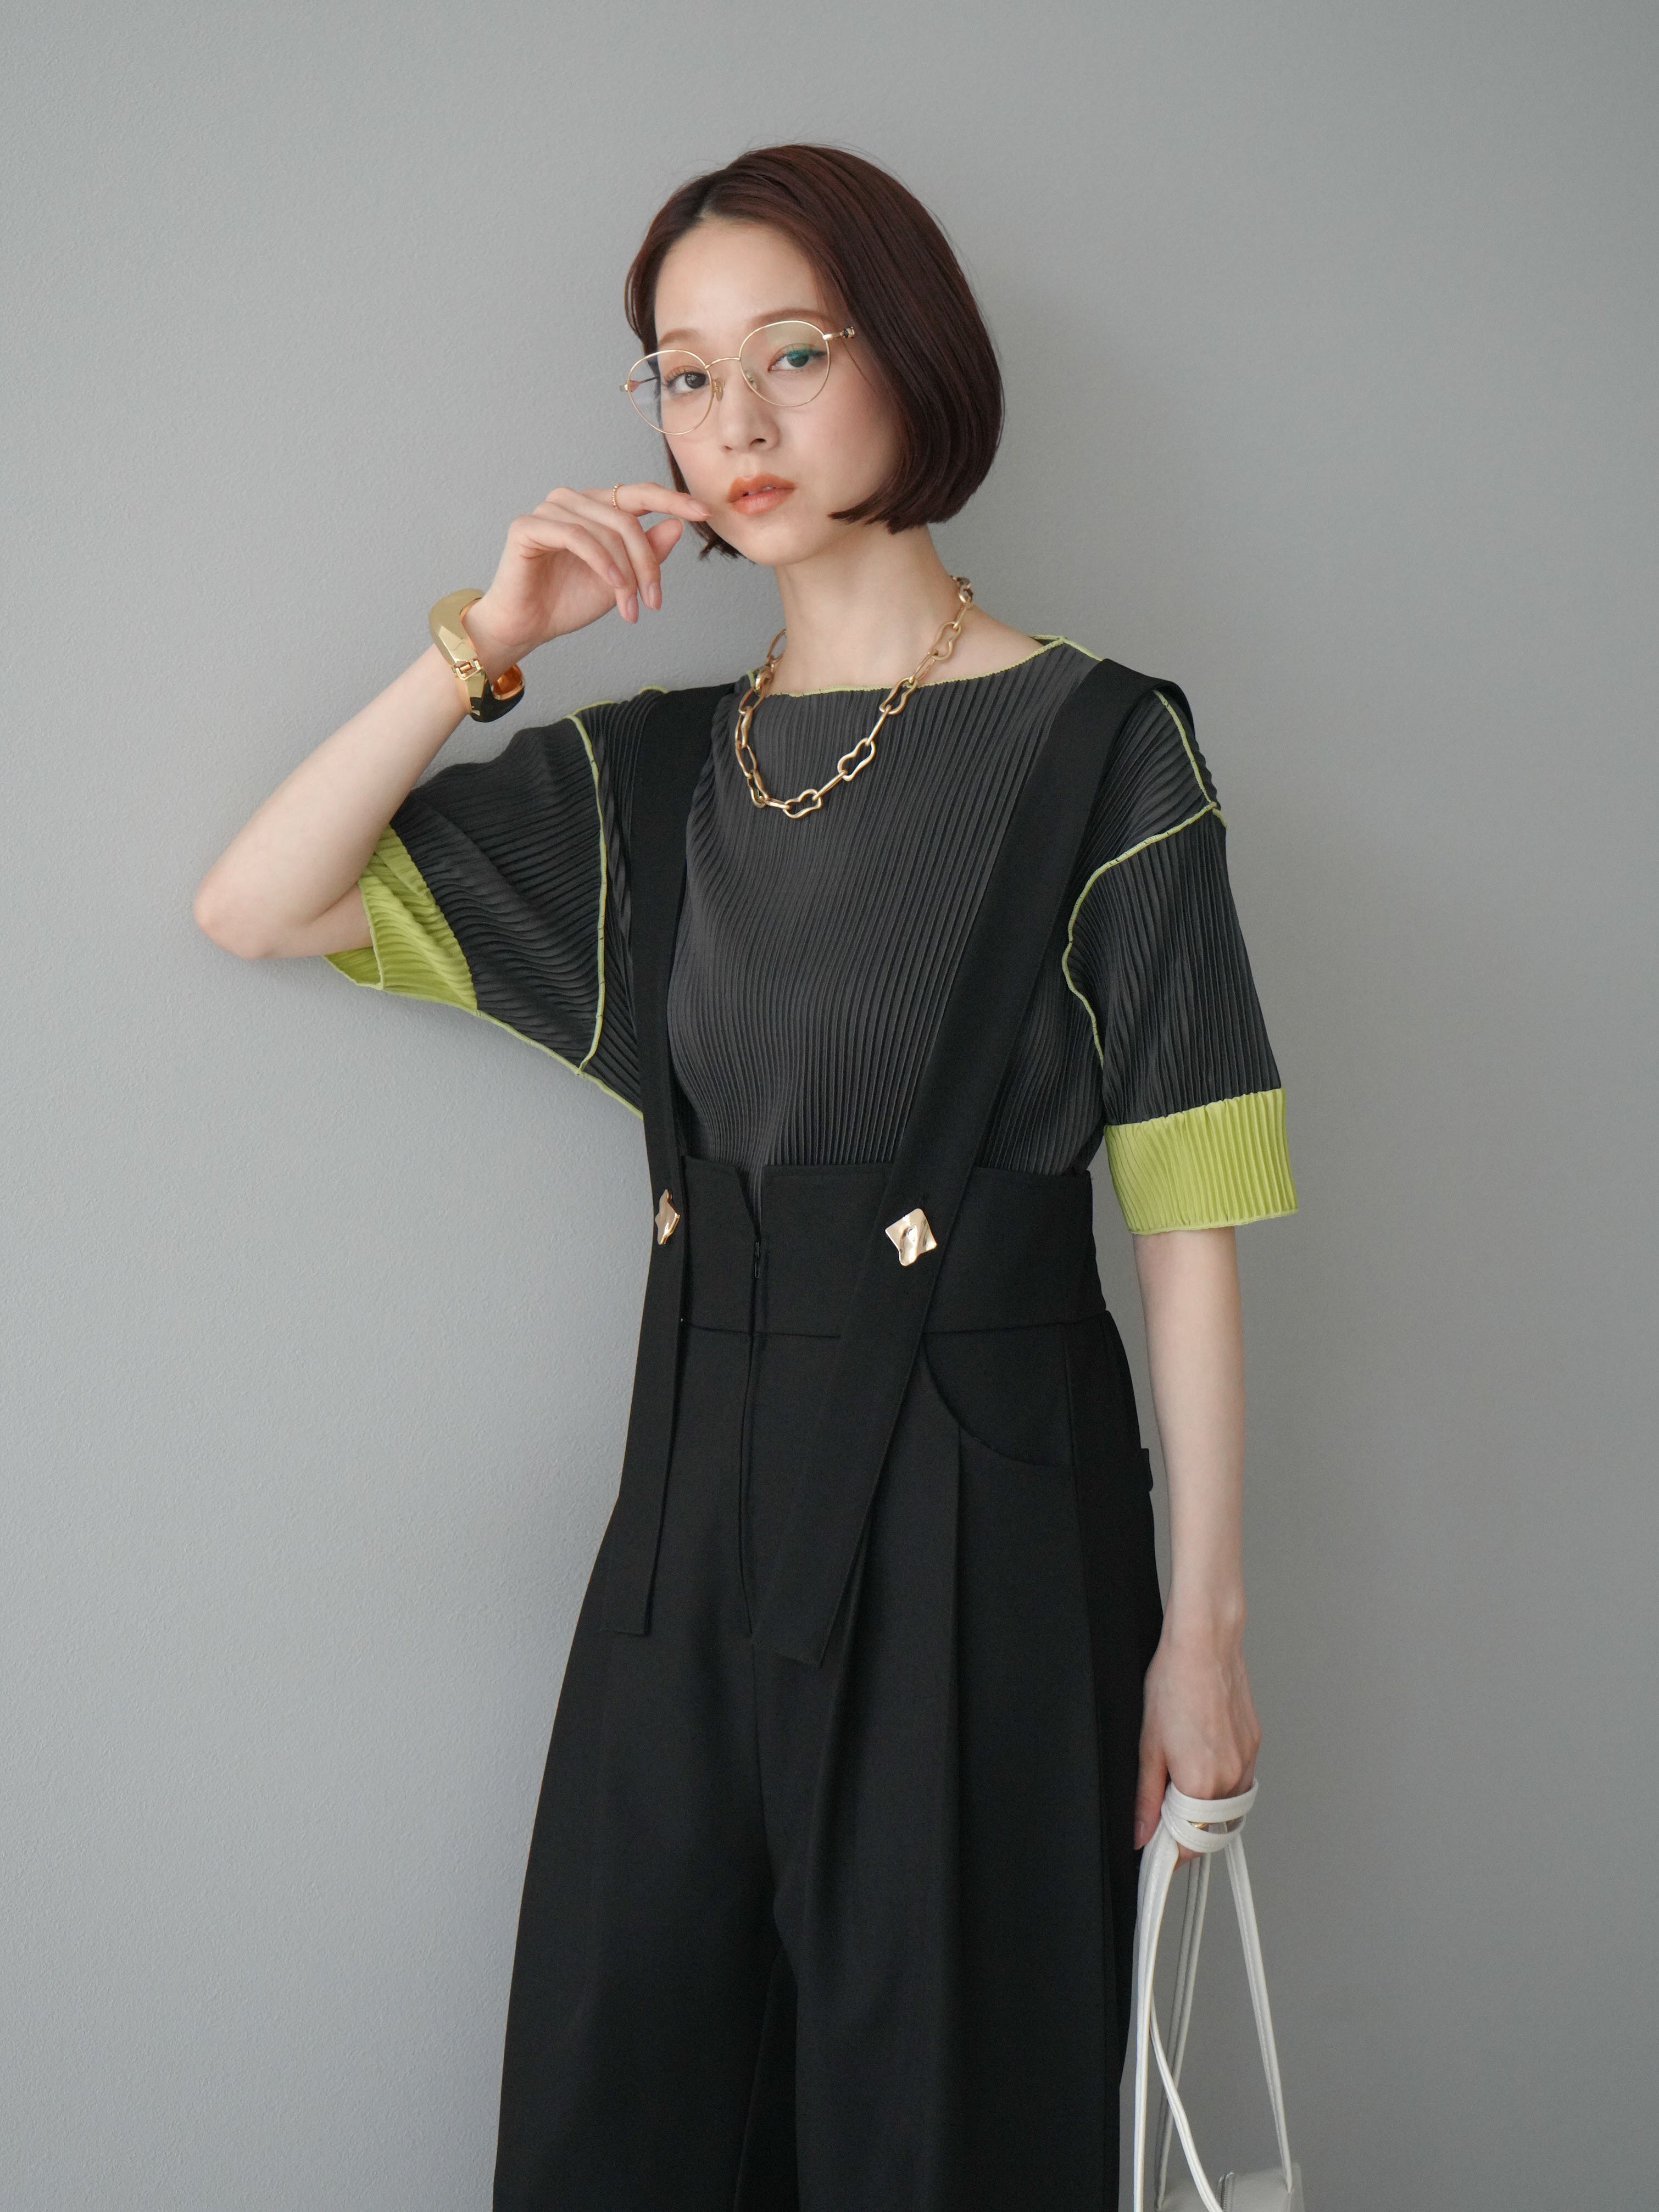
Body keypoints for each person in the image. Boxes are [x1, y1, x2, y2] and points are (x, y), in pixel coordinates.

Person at [194, 141, 1296, 2212]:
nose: (737, 422)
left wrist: (1206, 1629)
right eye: (684, 376)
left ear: (912, 356)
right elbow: (261, 901)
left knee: (941, 2116)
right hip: (690, 1505)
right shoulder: (653, 778)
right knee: (629, 2100)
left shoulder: (1103, 748)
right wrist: (486, 637)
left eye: (793, 353)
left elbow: (1190, 1214)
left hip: (991, 1503)